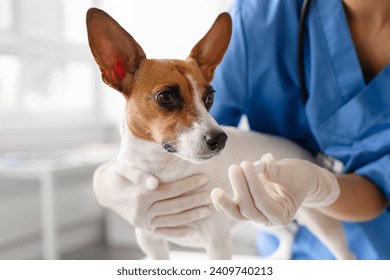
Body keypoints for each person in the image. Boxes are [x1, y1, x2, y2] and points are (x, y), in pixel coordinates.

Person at [93, 0, 390, 259]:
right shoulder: (260, 17)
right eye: (167, 98)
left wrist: (322, 185)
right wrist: (105, 182)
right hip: (288, 247)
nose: (201, 111)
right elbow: (204, 136)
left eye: (207, 97)